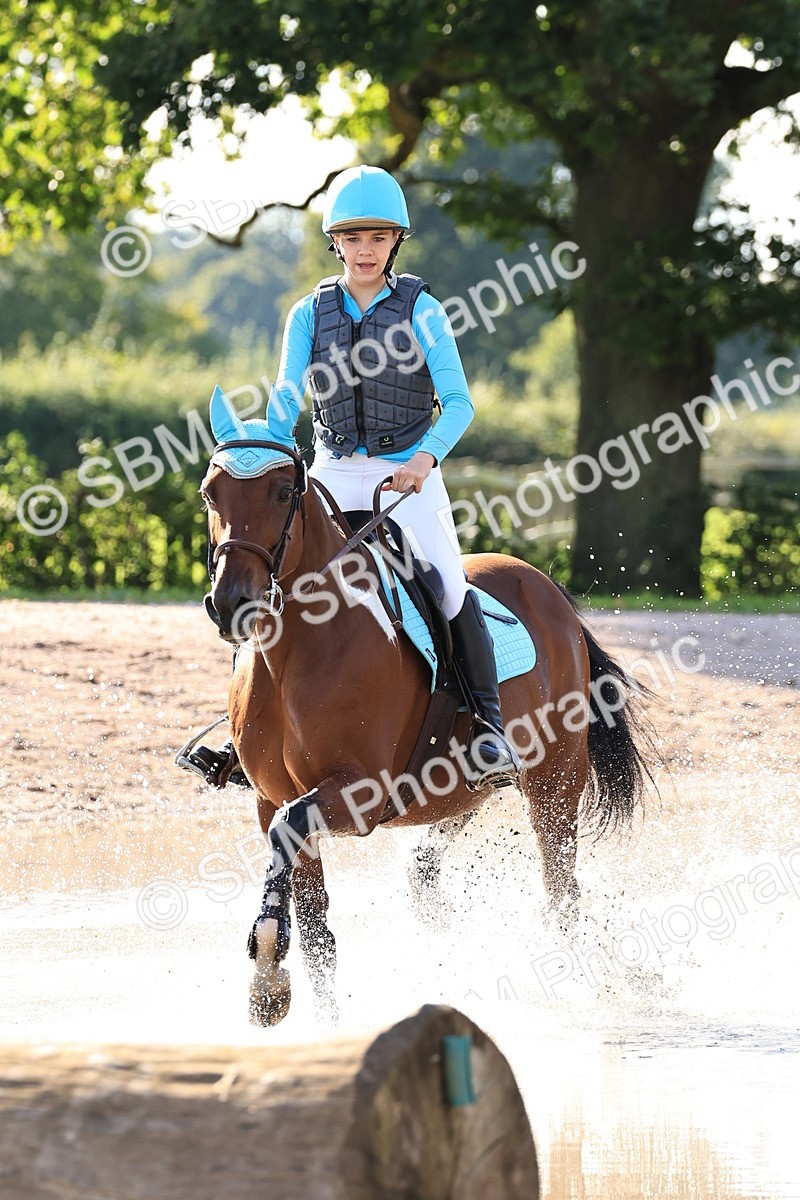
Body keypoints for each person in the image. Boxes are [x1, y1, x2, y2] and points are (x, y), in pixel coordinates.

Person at [192, 165, 519, 791]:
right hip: (331, 470)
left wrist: (424, 460)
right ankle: (248, 730)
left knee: (448, 587)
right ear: (335, 243)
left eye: (378, 239)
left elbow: (459, 403)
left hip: (408, 474)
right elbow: (288, 398)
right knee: (270, 582)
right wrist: (265, 439)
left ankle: (488, 728)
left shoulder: (423, 309)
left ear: (396, 241)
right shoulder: (308, 313)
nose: (365, 251)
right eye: (353, 239)